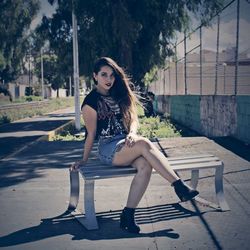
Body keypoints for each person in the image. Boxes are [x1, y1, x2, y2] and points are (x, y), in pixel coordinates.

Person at [71, 57, 199, 234]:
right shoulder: (90, 102)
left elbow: (133, 120)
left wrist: (131, 133)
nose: (109, 79)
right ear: (95, 76)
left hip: (127, 142)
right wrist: (84, 160)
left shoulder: (119, 93)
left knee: (145, 166)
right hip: (108, 148)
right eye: (104, 75)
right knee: (145, 143)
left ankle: (128, 215)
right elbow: (91, 134)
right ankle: (179, 186)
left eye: (112, 75)